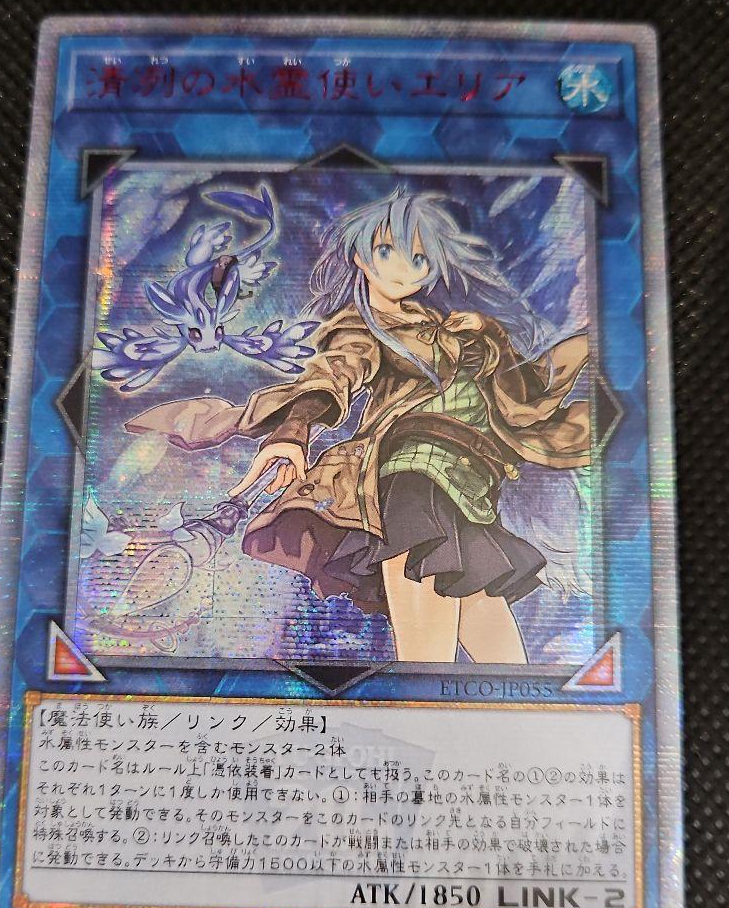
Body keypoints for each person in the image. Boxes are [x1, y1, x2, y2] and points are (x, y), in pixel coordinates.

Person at [126, 189, 589, 664]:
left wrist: (498, 337)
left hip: (467, 489)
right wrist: (294, 429)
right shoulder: (363, 325)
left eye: (419, 259)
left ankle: (506, 711)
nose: (403, 268)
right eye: (387, 251)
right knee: (426, 657)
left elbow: (518, 395)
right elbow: (337, 371)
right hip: (415, 477)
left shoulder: (445, 326)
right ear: (360, 256)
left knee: (497, 647)